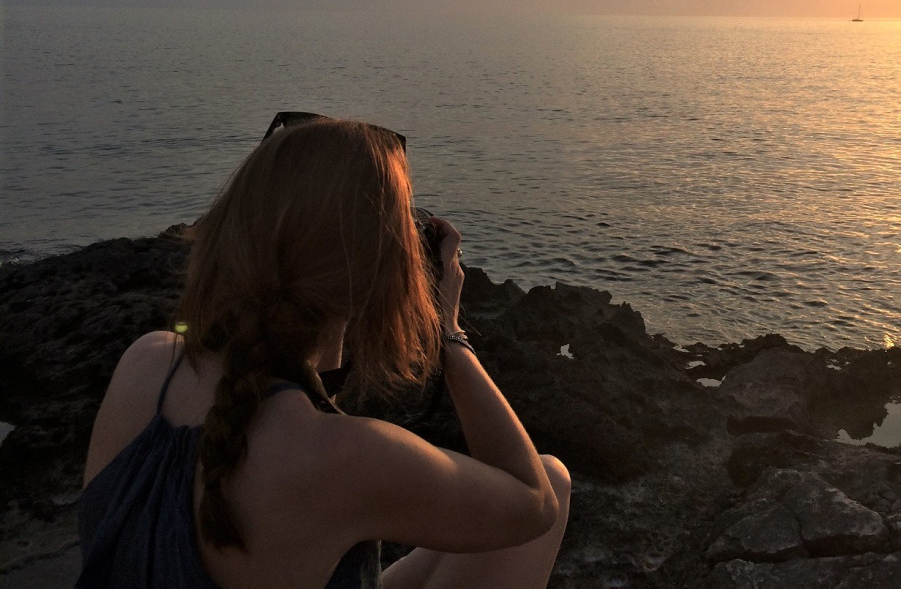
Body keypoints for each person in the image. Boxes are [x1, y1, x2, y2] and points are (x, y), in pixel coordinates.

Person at [77, 114, 571, 588]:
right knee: (551, 479)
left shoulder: (147, 364)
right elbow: (535, 504)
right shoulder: (344, 456)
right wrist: (448, 332)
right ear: (376, 278)